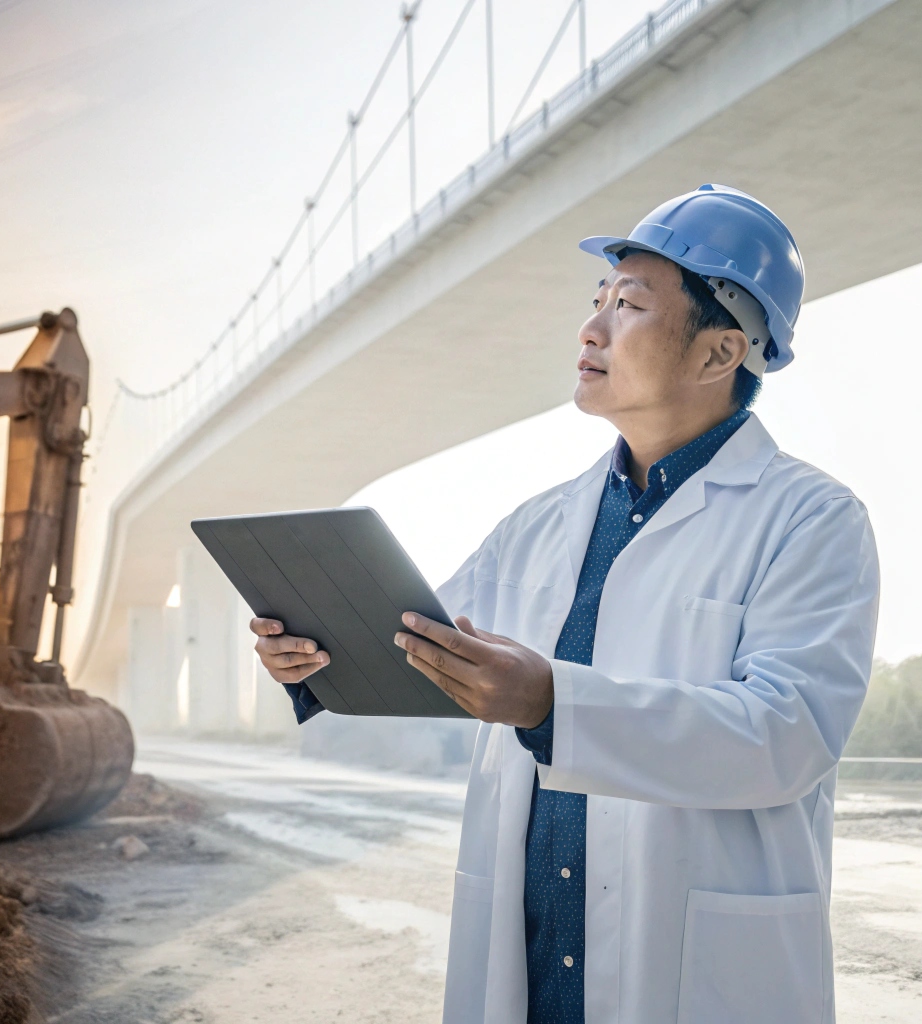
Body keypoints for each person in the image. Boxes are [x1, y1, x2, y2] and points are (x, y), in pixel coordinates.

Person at [252, 185, 877, 1023]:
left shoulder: (810, 520)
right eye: (597, 304)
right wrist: (316, 655)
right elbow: (417, 651)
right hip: (540, 967)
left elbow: (786, 734)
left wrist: (552, 703)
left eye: (629, 306)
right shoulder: (536, 526)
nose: (591, 330)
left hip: (698, 976)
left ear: (719, 353)